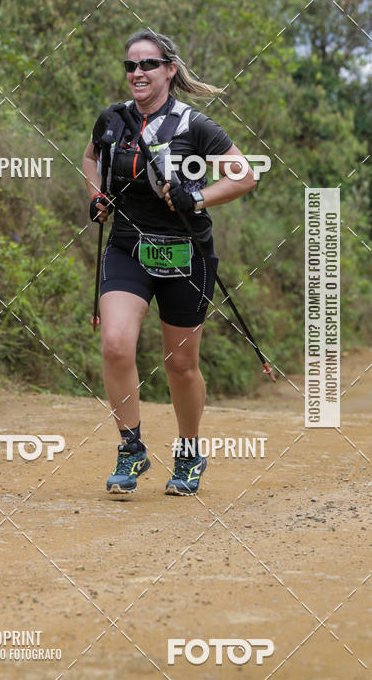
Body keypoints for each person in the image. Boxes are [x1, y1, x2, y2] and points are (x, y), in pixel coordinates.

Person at [82, 30, 256, 496]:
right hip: (128, 247)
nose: (137, 73)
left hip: (186, 252)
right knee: (116, 344)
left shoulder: (194, 125)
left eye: (148, 64)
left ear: (170, 69)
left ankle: (188, 452)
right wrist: (97, 196)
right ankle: (131, 447)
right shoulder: (113, 120)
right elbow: (90, 157)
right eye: (131, 66)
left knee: (180, 365)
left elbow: (244, 176)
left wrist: (195, 198)